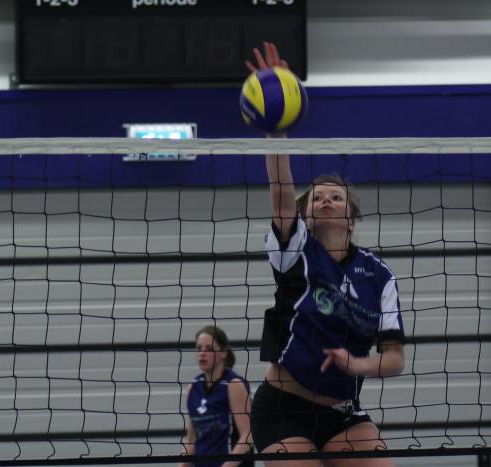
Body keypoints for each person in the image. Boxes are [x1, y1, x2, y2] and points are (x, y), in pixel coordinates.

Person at [246, 42, 406, 467]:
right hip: (283, 407)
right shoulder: (296, 253)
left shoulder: (379, 276)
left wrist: (356, 364)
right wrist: (276, 131)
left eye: (336, 197)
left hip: (342, 413)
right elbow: (281, 193)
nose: (327, 201)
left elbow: (394, 360)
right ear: (307, 217)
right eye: (317, 198)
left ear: (352, 218)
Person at [180, 325, 253, 467]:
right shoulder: (193, 388)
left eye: (208, 349)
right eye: (199, 348)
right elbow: (191, 441)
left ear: (223, 352)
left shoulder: (233, 385)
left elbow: (248, 436)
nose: (202, 353)